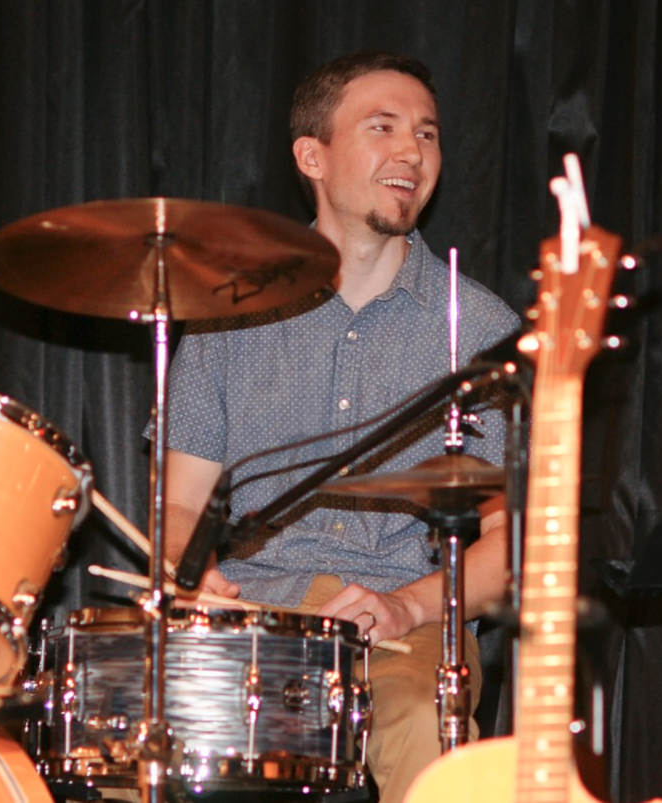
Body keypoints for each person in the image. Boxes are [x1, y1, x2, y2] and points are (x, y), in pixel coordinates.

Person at [161, 50, 520, 803]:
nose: (411, 152)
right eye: (382, 127)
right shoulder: (229, 313)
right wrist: (193, 577)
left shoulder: (482, 331)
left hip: (400, 625)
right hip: (254, 614)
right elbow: (180, 507)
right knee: (136, 726)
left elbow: (510, 545)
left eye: (426, 133)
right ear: (311, 155)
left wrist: (411, 605)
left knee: (429, 728)